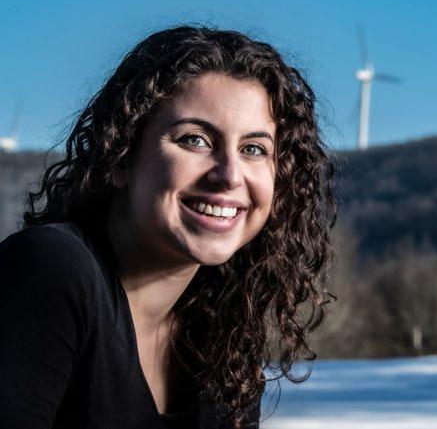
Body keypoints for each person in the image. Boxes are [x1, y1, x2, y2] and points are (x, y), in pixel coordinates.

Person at [0, 26, 336, 429]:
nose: (229, 175)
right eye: (195, 140)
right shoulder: (51, 269)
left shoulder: (223, 343)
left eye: (253, 149)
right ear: (120, 156)